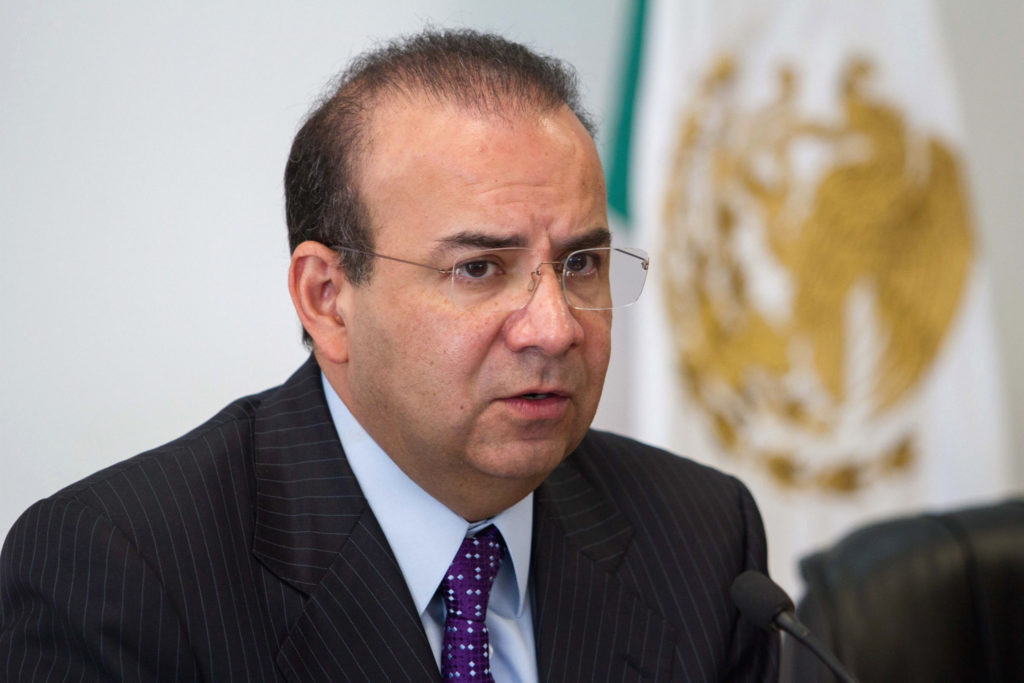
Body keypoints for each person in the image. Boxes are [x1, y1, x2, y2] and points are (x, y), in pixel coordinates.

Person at [0, 29, 777, 682]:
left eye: (581, 264)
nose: (555, 328)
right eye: (479, 268)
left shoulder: (703, 538)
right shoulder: (123, 571)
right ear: (327, 298)